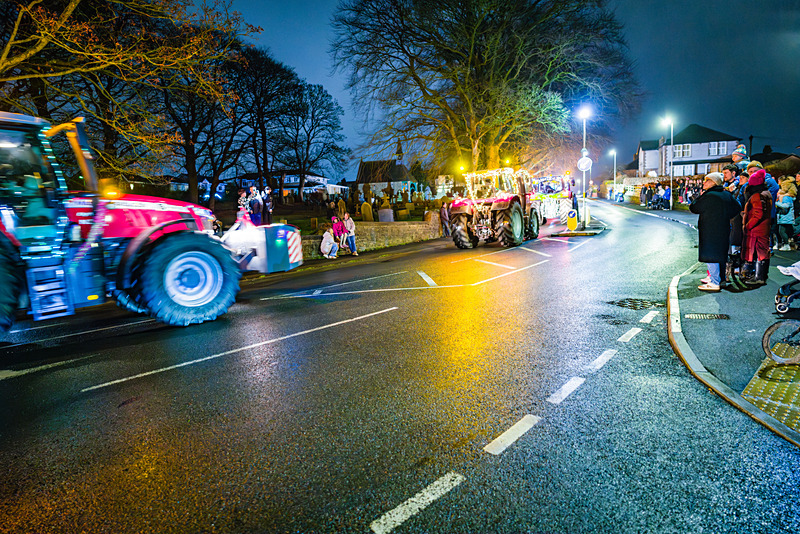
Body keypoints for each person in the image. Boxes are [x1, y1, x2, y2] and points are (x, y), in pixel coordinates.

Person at [690, 172, 741, 291]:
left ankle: (714, 281)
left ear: (714, 182)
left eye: (707, 180)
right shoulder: (726, 194)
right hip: (723, 227)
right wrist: (726, 216)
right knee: (721, 254)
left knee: (711, 254)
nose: (704, 182)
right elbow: (737, 207)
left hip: (709, 229)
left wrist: (698, 197)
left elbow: (694, 208)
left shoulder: (709, 195)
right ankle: (721, 280)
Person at [742, 169, 772, 285]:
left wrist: (747, 226)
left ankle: (758, 277)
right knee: (763, 251)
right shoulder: (766, 193)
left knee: (760, 253)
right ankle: (761, 276)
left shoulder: (757, 196)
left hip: (756, 229)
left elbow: (758, 214)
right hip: (764, 228)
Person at [776, 178, 796, 251]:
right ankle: (788, 244)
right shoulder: (789, 197)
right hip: (787, 217)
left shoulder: (786, 197)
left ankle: (786, 245)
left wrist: (776, 203)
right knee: (787, 231)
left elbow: (786, 206)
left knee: (782, 231)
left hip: (785, 217)